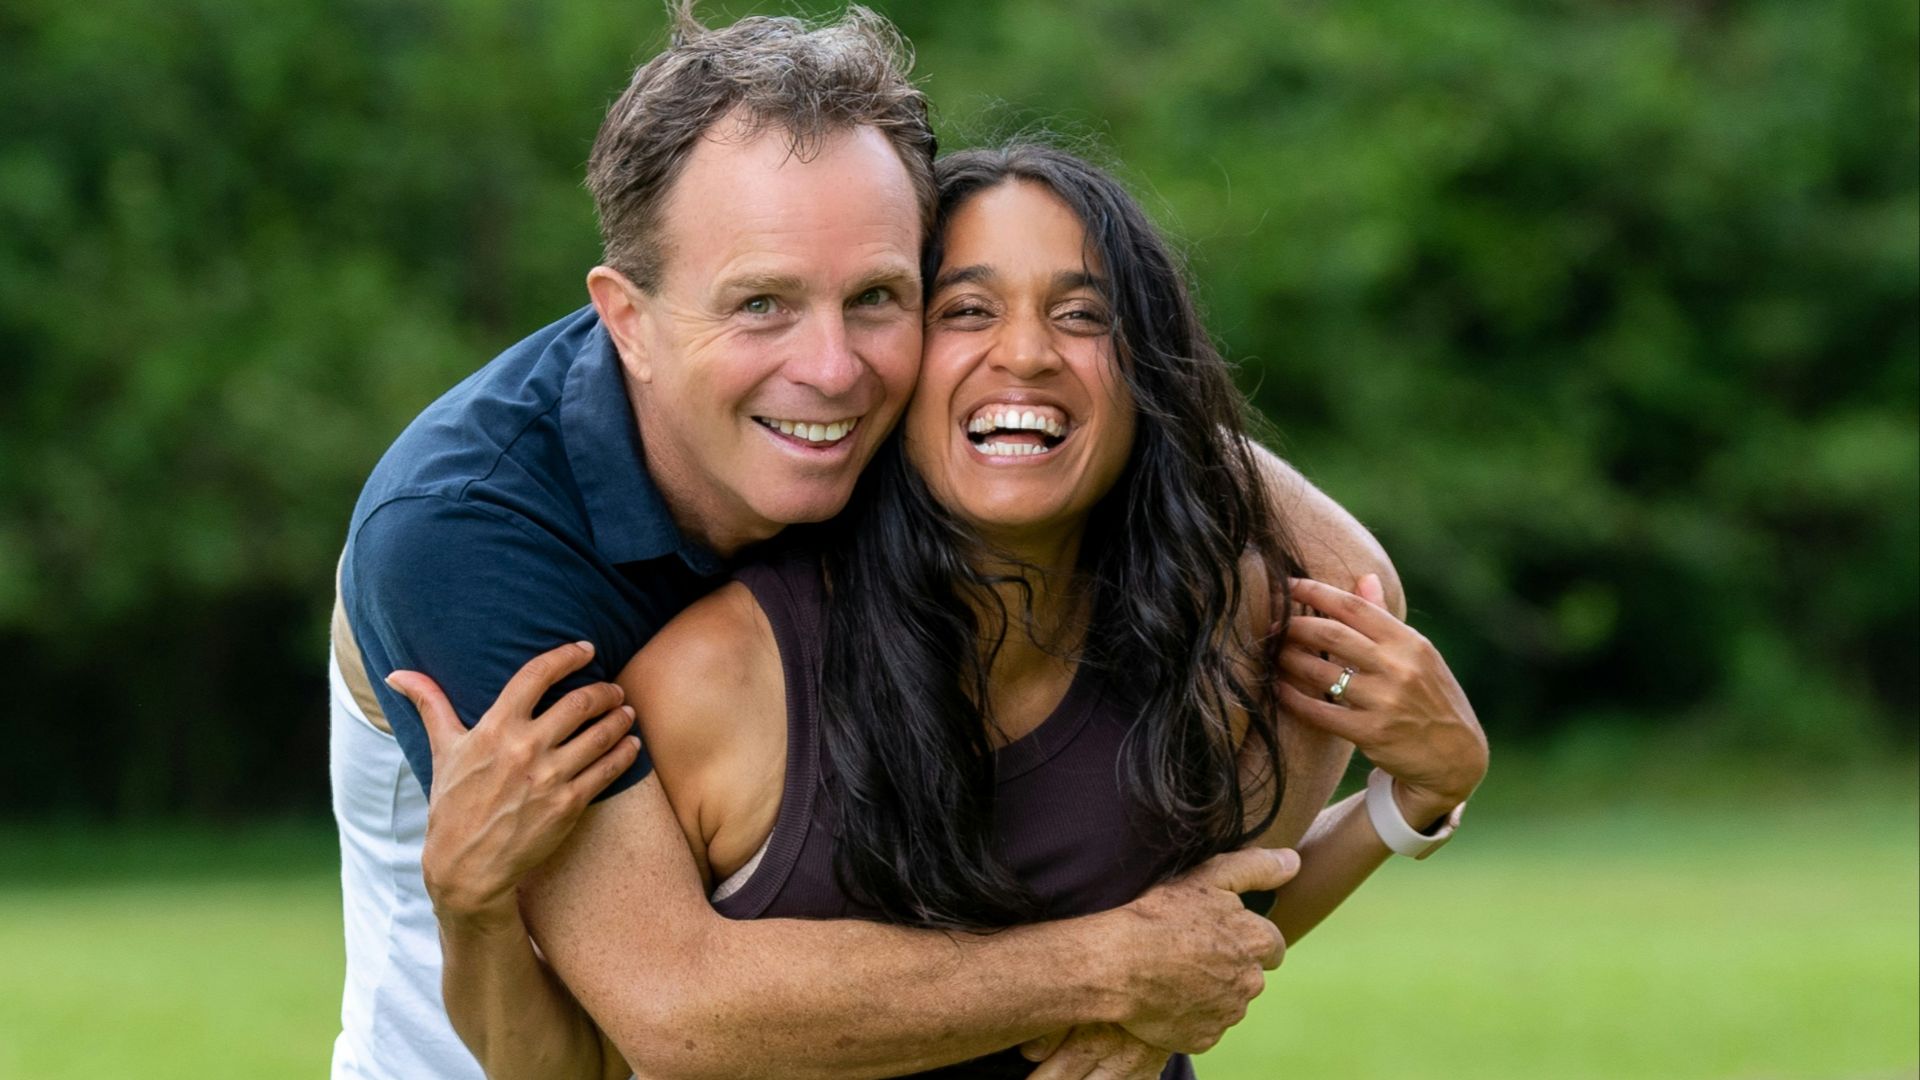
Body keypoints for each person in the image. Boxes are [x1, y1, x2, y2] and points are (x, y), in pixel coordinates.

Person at [328, 7, 1404, 1079]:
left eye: (881, 296)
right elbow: (672, 1008)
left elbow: (1347, 592)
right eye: (761, 303)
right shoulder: (467, 538)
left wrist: (1133, 404)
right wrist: (1110, 972)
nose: (834, 368)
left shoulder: (883, 408)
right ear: (629, 322)